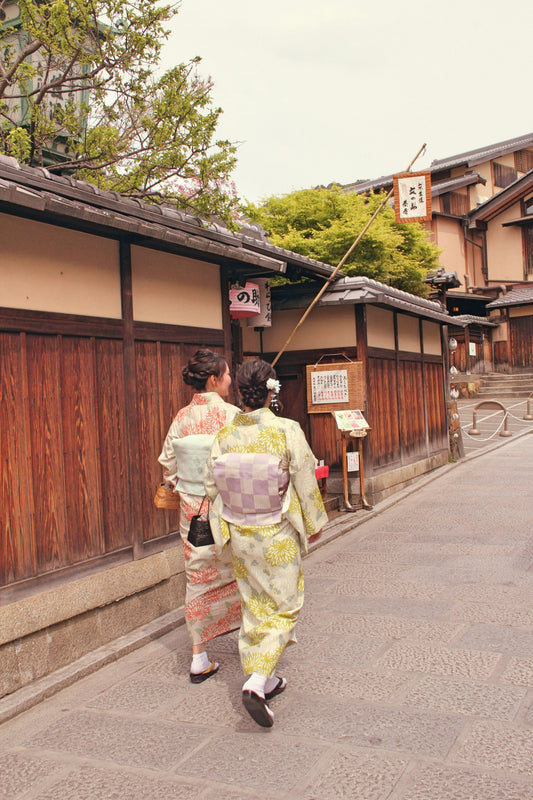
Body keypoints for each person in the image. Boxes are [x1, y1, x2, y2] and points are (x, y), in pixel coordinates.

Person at [204, 358, 328, 727]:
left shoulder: (225, 435)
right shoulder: (287, 430)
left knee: (254, 601)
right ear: (271, 391)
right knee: (285, 605)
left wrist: (223, 527)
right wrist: (314, 522)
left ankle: (268, 677)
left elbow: (213, 488)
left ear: (240, 393)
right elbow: (304, 479)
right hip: (276, 534)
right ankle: (256, 683)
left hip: (241, 532)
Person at [158, 349, 241, 683]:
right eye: (227, 374)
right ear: (213, 379)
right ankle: (250, 644)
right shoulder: (234, 415)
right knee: (240, 569)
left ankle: (199, 657)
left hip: (193, 512)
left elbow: (168, 463)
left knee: (197, 576)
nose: (230, 379)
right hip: (230, 506)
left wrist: (189, 485)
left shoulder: (181, 418)